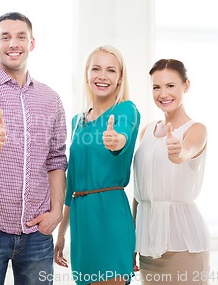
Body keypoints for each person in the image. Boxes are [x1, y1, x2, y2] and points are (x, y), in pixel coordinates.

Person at [0, 12, 68, 285]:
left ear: (32, 43)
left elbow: (56, 160)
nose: (14, 43)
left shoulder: (50, 98)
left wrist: (56, 212)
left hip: (37, 232)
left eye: (21, 36)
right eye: (5, 37)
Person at [55, 45, 140, 285]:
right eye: (96, 68)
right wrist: (61, 233)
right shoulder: (77, 121)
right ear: (87, 74)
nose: (103, 76)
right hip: (82, 223)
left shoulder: (126, 110)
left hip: (110, 215)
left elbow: (121, 137)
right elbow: (72, 183)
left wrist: (115, 141)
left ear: (120, 77)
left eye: (111, 70)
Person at [132, 59, 210, 284]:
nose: (163, 93)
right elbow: (139, 194)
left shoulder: (196, 130)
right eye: (156, 87)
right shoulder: (146, 131)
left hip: (184, 245)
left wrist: (178, 153)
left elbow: (186, 152)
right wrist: (133, 244)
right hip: (148, 245)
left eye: (170, 85)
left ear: (186, 86)